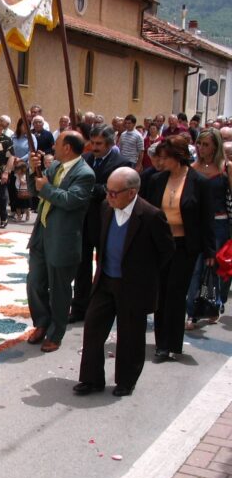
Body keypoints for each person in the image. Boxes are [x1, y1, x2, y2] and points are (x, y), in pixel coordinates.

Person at [74, 168, 174, 397]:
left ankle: (126, 381)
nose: (108, 196)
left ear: (131, 193)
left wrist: (144, 274)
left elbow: (167, 251)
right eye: (107, 191)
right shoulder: (106, 207)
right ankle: (91, 379)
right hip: (106, 280)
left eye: (113, 193)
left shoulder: (150, 215)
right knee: (92, 330)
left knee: (130, 336)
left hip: (133, 286)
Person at [145, 136, 215, 361]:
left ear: (177, 157)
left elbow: (207, 219)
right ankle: (160, 342)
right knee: (160, 293)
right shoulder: (156, 180)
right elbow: (148, 212)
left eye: (165, 158)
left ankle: (171, 343)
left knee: (175, 294)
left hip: (185, 246)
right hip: (160, 245)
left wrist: (210, 252)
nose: (160, 162)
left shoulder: (199, 182)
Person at [26, 131, 95, 352]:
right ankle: (41, 323)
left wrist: (45, 187)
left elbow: (69, 200)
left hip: (62, 240)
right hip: (42, 235)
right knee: (35, 282)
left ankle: (56, 333)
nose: (52, 147)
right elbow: (35, 190)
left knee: (59, 290)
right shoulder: (55, 167)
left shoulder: (85, 174)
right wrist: (32, 170)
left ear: (67, 148)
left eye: (56, 143)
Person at [70, 125, 131, 323]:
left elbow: (111, 189)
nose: (94, 147)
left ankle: (104, 305)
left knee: (105, 265)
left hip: (107, 221)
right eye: (93, 142)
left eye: (99, 144)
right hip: (84, 220)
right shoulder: (85, 159)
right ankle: (80, 306)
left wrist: (90, 189)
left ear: (110, 144)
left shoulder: (121, 163)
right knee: (82, 266)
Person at [185, 128, 232, 328]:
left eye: (206, 144)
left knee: (214, 268)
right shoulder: (192, 168)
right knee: (196, 269)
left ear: (215, 146)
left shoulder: (226, 168)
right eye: (199, 144)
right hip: (197, 225)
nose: (201, 148)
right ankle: (192, 312)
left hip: (220, 224)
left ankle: (214, 306)